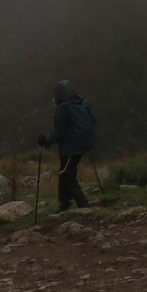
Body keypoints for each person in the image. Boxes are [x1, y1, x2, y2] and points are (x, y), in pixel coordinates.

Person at [37, 80, 96, 211]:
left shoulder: (63, 107)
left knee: (66, 175)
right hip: (84, 143)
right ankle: (64, 205)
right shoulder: (83, 102)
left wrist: (46, 140)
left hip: (70, 147)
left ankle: (83, 205)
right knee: (65, 172)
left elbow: (59, 132)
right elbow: (94, 119)